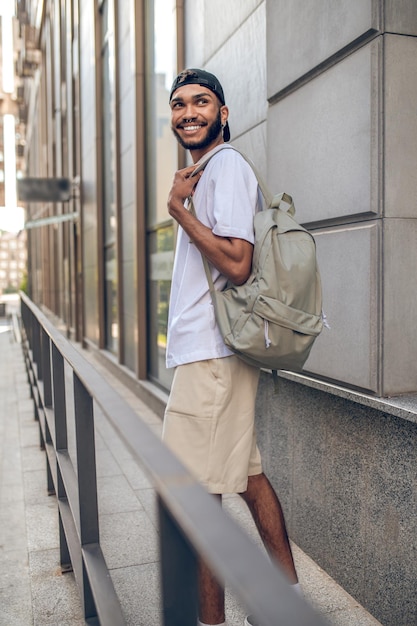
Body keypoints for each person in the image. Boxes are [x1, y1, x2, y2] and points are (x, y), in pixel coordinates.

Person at [162, 68, 300, 626]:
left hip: (212, 356)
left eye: (201, 101)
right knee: (246, 476)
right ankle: (286, 602)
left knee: (196, 500)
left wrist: (178, 212)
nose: (187, 111)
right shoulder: (204, 172)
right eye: (178, 103)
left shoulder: (226, 167)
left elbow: (239, 265)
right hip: (214, 355)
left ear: (222, 113)